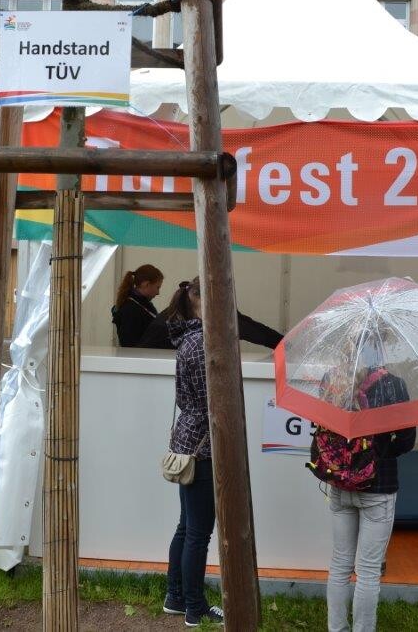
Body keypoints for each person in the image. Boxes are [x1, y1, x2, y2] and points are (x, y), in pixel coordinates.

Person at [321, 365, 416, 632]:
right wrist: (380, 453)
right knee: (368, 571)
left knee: (340, 565)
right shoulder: (393, 384)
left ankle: (336, 628)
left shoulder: (332, 379)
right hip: (379, 485)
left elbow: (323, 430)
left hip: (340, 484)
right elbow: (407, 441)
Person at [162, 278, 224, 627]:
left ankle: (175, 597)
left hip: (187, 441)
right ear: (200, 300)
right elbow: (210, 398)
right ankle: (195, 608)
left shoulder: (186, 338)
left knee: (187, 527)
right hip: (202, 445)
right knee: (199, 532)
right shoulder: (201, 342)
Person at [138, 280, 284, 350]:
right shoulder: (171, 326)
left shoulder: (176, 311)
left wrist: (282, 344)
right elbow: (251, 330)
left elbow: (247, 325)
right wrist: (284, 345)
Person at [111, 264, 164, 347]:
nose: (158, 293)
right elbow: (129, 344)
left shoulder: (142, 305)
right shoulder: (131, 310)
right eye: (157, 287)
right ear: (146, 284)